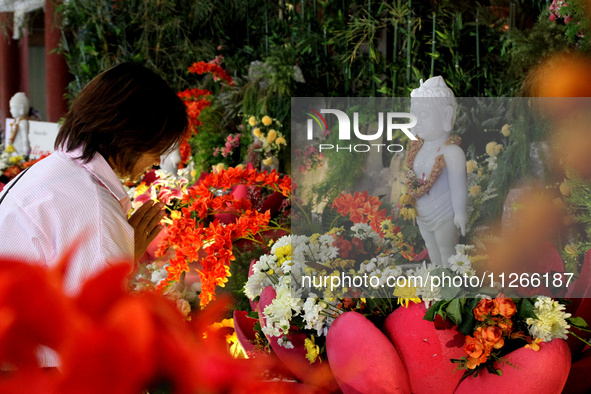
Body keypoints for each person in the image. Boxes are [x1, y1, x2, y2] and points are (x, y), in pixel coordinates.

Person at [0, 63, 188, 296]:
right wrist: (119, 255)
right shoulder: (94, 207)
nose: (158, 161)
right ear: (131, 135)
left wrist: (123, 252)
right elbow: (94, 317)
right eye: (157, 147)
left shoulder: (58, 170)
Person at [405, 76, 468, 268]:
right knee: (431, 248)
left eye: (423, 114)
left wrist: (460, 212)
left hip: (445, 212)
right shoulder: (417, 150)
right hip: (423, 213)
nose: (417, 121)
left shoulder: (452, 152)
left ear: (446, 115)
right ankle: (437, 288)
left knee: (446, 250)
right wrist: (412, 204)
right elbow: (413, 180)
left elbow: (459, 186)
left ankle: (450, 288)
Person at [7, 92, 31, 157]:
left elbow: (25, 138)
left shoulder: (23, 122)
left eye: (12, 108)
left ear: (21, 108)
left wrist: (26, 151)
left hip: (22, 149)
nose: (10, 111)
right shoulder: (15, 122)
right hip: (15, 148)